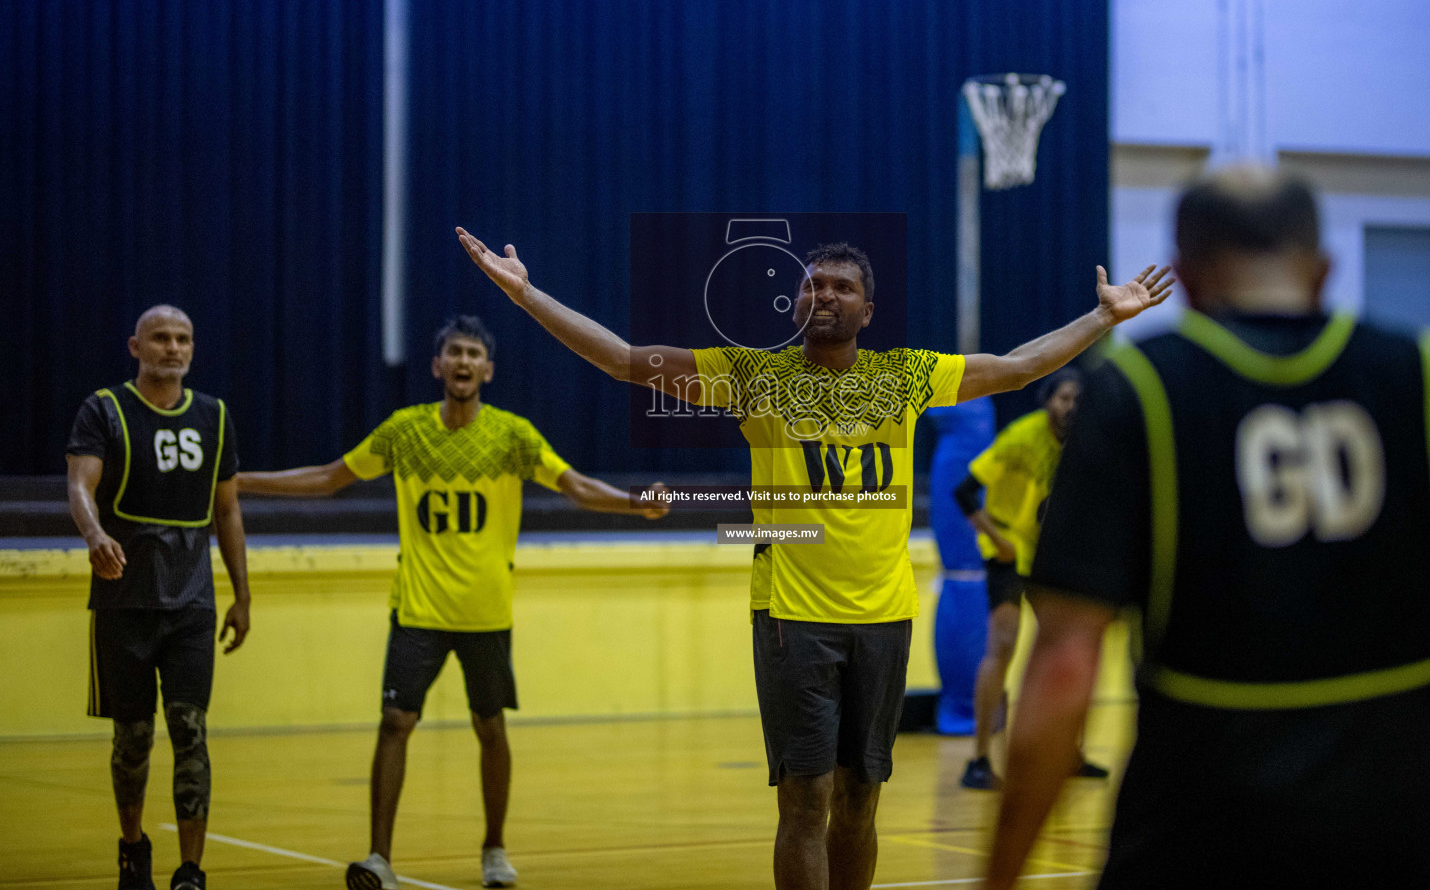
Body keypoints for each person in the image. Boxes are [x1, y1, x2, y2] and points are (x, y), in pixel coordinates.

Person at [456, 226, 1172, 890]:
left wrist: (1104, 317)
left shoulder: (908, 375)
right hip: (793, 615)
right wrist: (524, 293)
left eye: (841, 287)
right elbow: (619, 359)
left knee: (861, 802)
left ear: (867, 310)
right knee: (806, 800)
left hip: (884, 613)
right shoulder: (749, 376)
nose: (823, 294)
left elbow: (1018, 369)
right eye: (812, 284)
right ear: (794, 302)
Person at [982, 165, 1430, 890]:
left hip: (1198, 817)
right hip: (1402, 818)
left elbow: (1063, 666)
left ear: (1182, 271)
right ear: (1325, 267)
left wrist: (1002, 876)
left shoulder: (1138, 390)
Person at [237, 315, 669, 890]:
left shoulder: (513, 435)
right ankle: (379, 860)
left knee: (490, 728)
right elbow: (328, 477)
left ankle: (494, 848)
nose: (463, 362)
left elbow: (575, 486)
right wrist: (242, 482)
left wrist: (634, 502)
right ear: (438, 366)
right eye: (454, 353)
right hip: (417, 610)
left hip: (486, 615)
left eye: (473, 354)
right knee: (396, 721)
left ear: (487, 370)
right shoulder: (404, 431)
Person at [65, 305, 252, 890]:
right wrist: (94, 534)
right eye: (161, 338)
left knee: (190, 729)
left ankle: (192, 870)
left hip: (192, 604)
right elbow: (79, 484)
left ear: (193, 349)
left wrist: (243, 596)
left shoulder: (215, 417)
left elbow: (227, 510)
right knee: (134, 738)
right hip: (124, 602)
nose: (173, 348)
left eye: (183, 339)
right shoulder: (105, 410)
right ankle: (132, 849)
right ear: (135, 347)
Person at [953, 367, 1108, 789]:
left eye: (1077, 398)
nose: (1070, 406)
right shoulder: (1022, 437)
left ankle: (1069, 754)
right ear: (1047, 401)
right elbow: (963, 491)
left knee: (1072, 649)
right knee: (1002, 643)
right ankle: (980, 760)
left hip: (1050, 554)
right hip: (1007, 548)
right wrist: (996, 538)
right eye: (1063, 397)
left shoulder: (1086, 443)